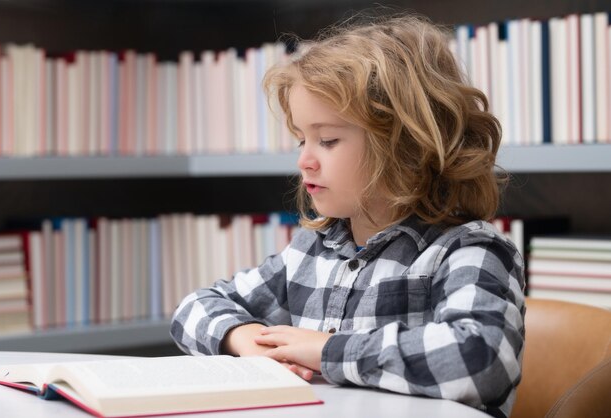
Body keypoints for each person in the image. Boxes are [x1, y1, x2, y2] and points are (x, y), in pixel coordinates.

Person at [171, 13, 525, 418]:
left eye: (327, 140)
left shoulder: (469, 251)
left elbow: (481, 360)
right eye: (302, 139)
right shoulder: (313, 251)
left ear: (407, 144)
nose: (304, 160)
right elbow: (195, 306)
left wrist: (327, 350)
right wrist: (243, 336)